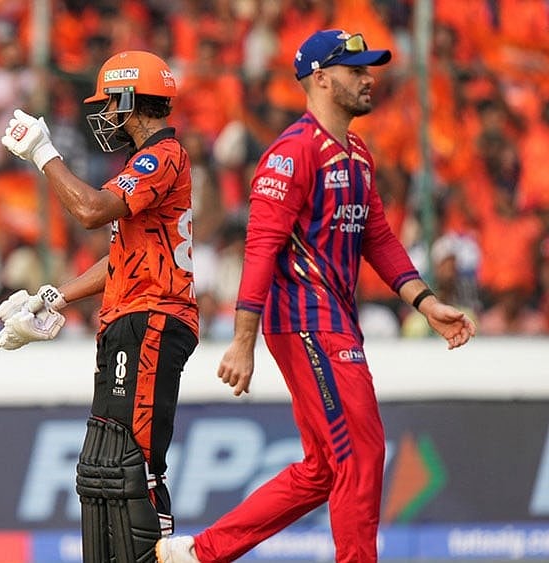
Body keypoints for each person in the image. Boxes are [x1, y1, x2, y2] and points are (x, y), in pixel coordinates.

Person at [154, 30, 477, 563]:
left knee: (325, 466)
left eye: (369, 69)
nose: (369, 79)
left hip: (334, 322)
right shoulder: (292, 153)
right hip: (304, 322)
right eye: (356, 71)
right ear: (321, 79)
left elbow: (376, 236)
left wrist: (425, 302)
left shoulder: (358, 153)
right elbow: (260, 248)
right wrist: (242, 343)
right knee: (362, 449)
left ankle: (200, 554)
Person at [0, 50, 199, 563]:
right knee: (106, 462)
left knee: (135, 464)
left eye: (110, 101)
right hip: (131, 315)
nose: (105, 113)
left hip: (153, 318)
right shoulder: (142, 163)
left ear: (131, 99)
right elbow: (120, 261)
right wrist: (54, 296)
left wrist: (45, 154)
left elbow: (90, 211)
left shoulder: (161, 156)